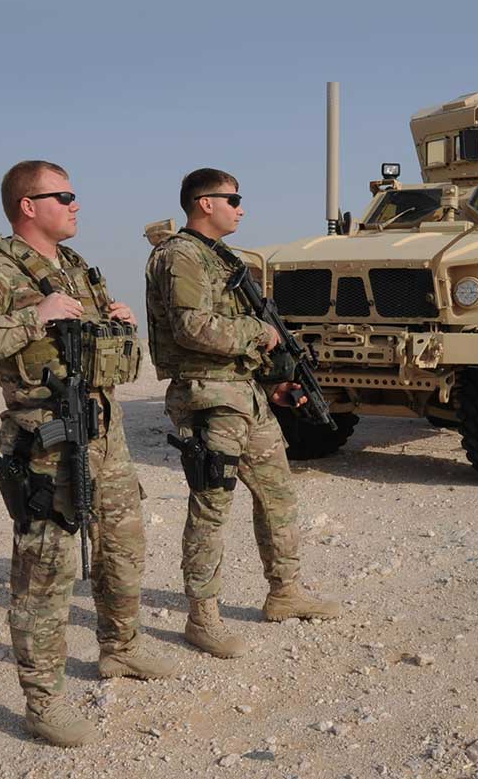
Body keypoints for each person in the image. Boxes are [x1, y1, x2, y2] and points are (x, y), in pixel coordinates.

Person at [0, 160, 176, 747]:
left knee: (124, 543)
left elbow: (103, 352)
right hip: (47, 439)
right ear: (27, 205)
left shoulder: (75, 269)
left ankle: (120, 647)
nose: (75, 204)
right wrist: (29, 318)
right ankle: (43, 701)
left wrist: (117, 323)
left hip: (102, 430)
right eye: (62, 195)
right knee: (46, 567)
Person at [145, 168, 342, 659]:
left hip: (241, 393)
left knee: (277, 494)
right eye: (233, 198)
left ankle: (285, 591)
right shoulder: (180, 256)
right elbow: (192, 329)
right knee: (213, 504)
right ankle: (202, 616)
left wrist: (271, 378)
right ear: (204, 203)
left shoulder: (221, 258)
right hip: (208, 396)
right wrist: (260, 335)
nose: (241, 208)